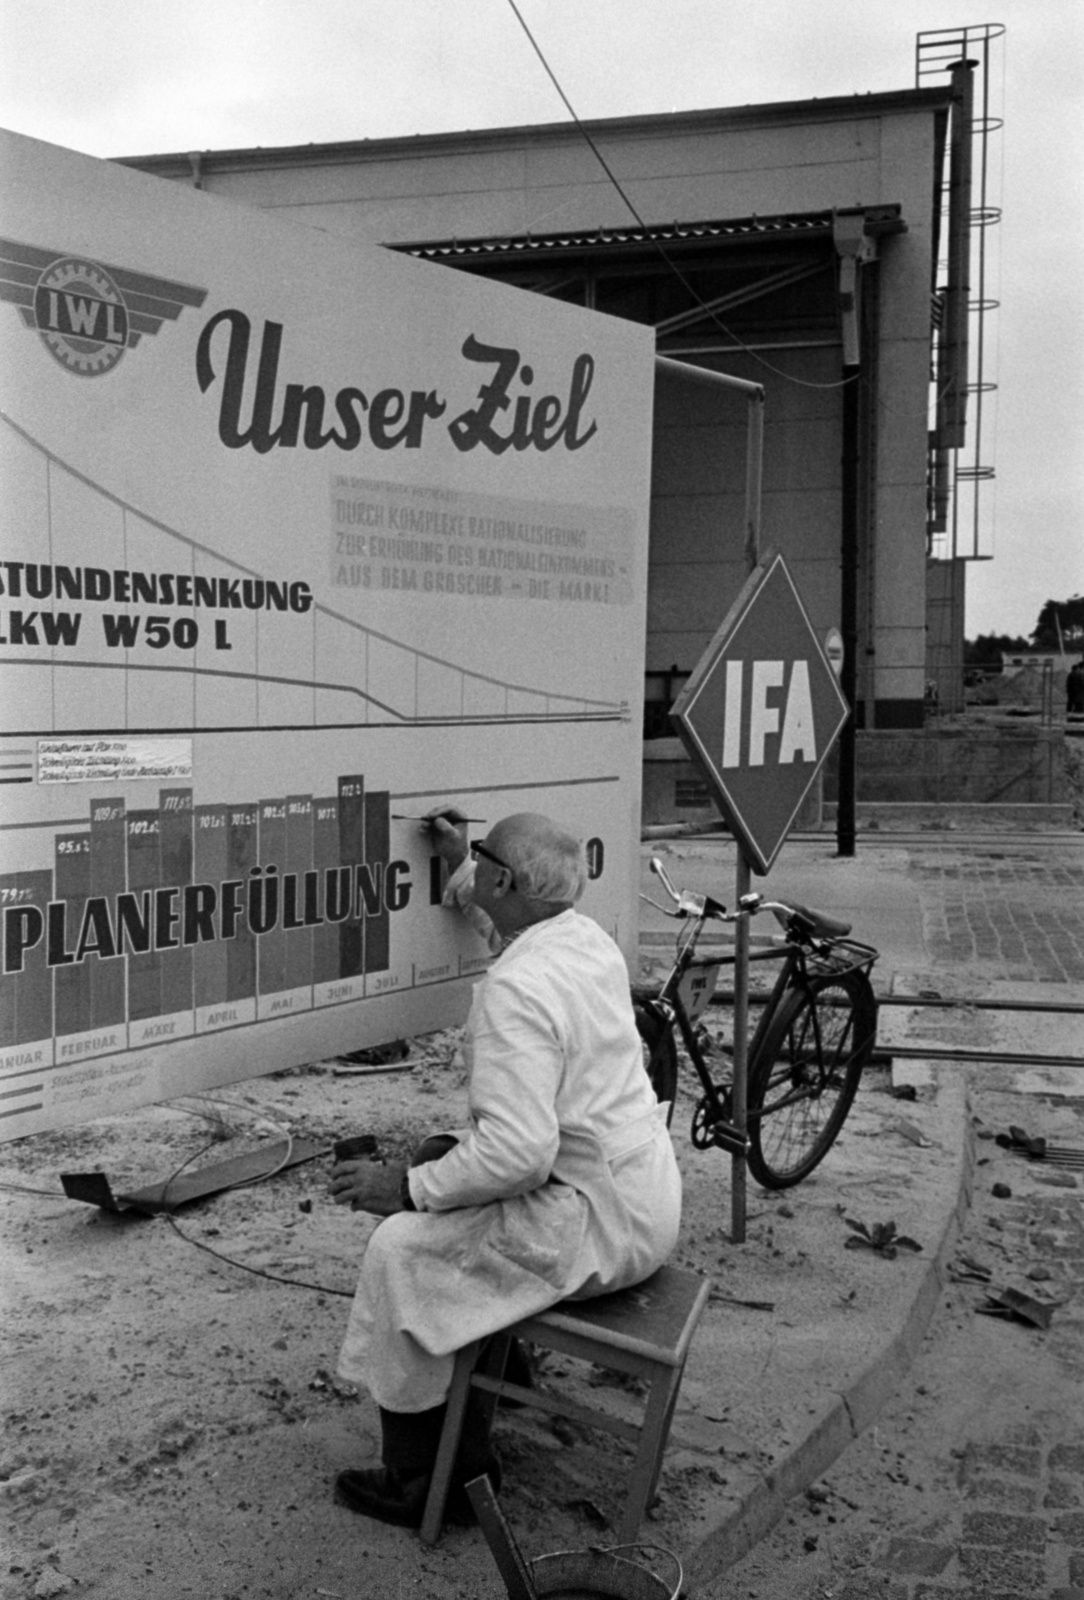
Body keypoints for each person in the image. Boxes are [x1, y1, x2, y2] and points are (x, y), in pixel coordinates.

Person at [327, 810, 682, 1528]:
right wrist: (465, 866)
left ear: (505, 879)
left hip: (598, 1224)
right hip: (646, 1194)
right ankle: (504, 1375)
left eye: (483, 855)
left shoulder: (514, 992)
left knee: (401, 1250)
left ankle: (433, 1479)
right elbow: (516, 930)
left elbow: (521, 1154)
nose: (477, 860)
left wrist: (406, 1187)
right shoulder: (584, 939)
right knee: (443, 1159)